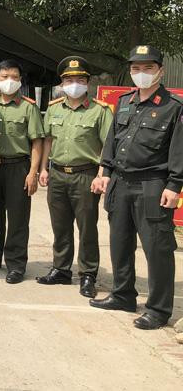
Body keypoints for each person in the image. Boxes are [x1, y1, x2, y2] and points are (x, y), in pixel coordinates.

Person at [90, 44, 182, 330]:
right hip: (120, 183)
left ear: (160, 71)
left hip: (153, 185)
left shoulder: (172, 107)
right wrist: (104, 171)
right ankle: (123, 294)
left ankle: (158, 309)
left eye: (147, 68)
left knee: (157, 249)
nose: (141, 74)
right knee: (119, 243)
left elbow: (179, 150)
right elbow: (112, 140)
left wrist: (174, 185)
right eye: (136, 69)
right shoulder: (125, 102)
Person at [37, 57, 112, 297]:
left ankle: (88, 274)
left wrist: (101, 175)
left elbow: (108, 146)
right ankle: (61, 269)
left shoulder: (99, 111)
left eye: (80, 79)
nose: (74, 84)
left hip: (85, 175)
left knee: (87, 227)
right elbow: (48, 139)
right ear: (61, 82)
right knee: (60, 226)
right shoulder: (54, 108)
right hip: (58, 173)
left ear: (88, 82)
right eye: (69, 80)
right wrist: (43, 168)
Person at [0, 60, 44, 284]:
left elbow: (36, 142)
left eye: (14, 77)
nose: (9, 81)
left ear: (20, 80)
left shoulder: (28, 107)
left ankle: (16, 263)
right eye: (4, 77)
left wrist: (33, 172)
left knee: (18, 217)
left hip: (19, 166)